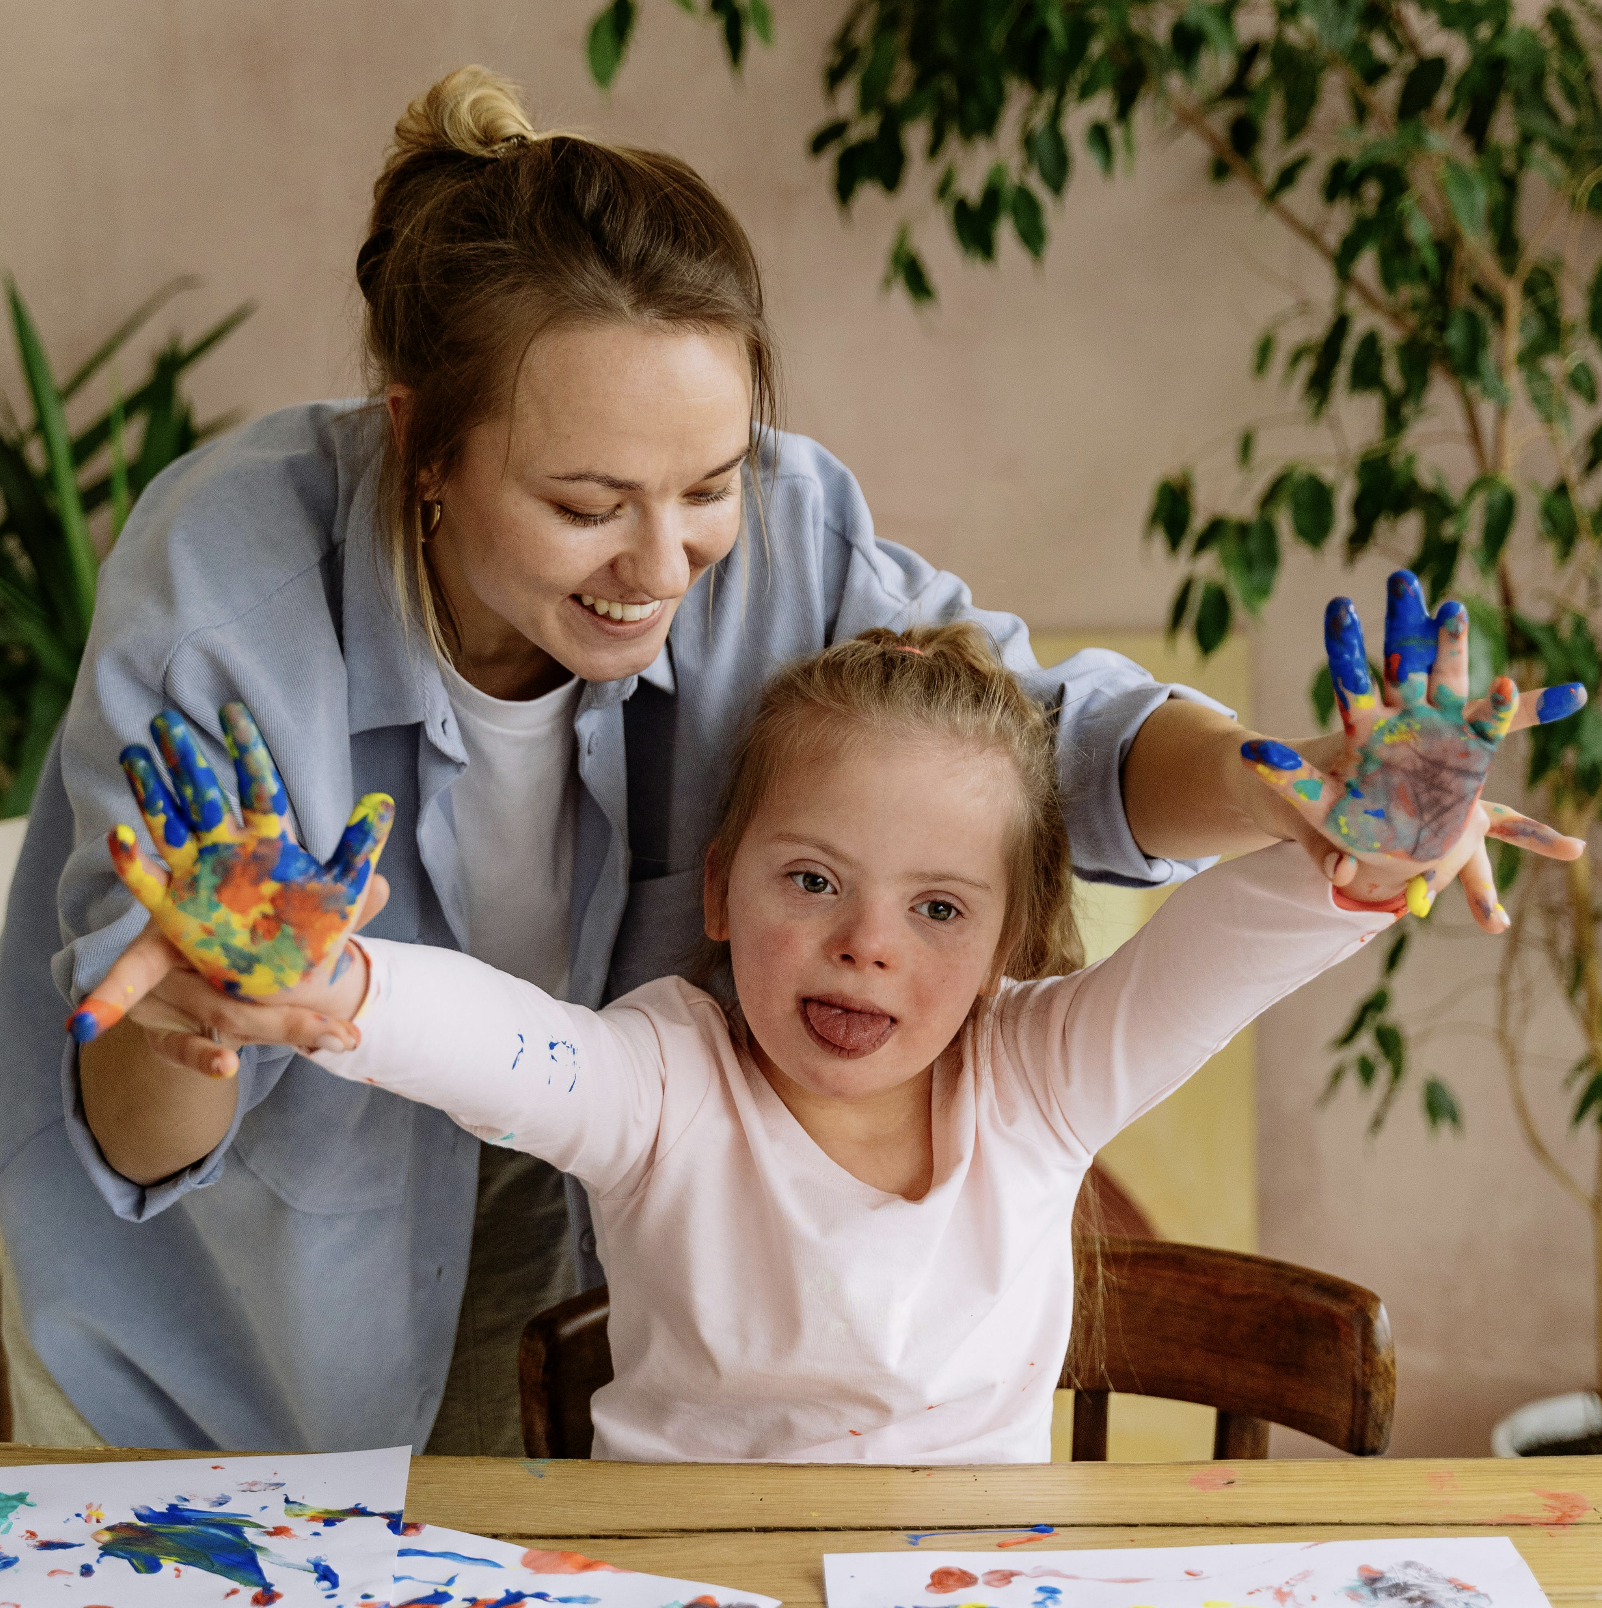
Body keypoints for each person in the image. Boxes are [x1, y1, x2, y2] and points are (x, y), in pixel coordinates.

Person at [0, 62, 1573, 1457]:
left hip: (566, 1249)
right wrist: (224, 1008)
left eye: (706, 485)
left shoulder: (792, 534)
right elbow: (137, 1127)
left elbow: (1046, 750)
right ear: (424, 446)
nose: (662, 562)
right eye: (584, 503)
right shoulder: (225, 593)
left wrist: (1302, 793)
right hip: (235, 1336)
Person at [72, 597, 1581, 1462]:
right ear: (719, 890)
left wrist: (1361, 855)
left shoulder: (1036, 1077)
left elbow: (1223, 952)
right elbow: (506, 1047)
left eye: (938, 909)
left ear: (1011, 939)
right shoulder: (665, 1076)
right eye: (813, 881)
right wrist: (336, 987)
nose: (867, 940)